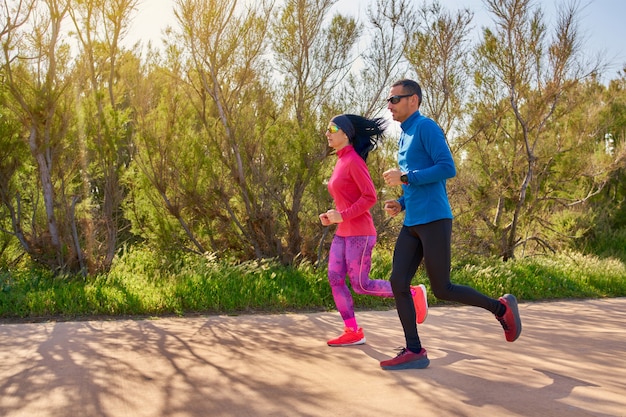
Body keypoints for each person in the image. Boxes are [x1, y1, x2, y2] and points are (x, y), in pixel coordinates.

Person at [379, 79, 522, 370]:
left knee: (442, 288)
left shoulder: (426, 127)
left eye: (395, 99)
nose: (389, 105)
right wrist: (402, 202)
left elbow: (447, 168)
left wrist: (405, 177)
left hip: (434, 219)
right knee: (398, 281)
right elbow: (419, 181)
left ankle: (501, 308)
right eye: (389, 100)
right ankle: (414, 350)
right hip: (413, 221)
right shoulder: (404, 136)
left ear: (413, 101)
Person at [320, 114, 429, 347]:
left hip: (360, 233)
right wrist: (333, 215)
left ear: (346, 133)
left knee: (361, 285)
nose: (327, 133)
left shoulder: (354, 161)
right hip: (343, 231)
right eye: (327, 128)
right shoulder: (340, 160)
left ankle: (412, 293)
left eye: (332, 128)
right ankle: (353, 330)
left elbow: (369, 197)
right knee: (335, 278)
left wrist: (344, 215)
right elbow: (347, 199)